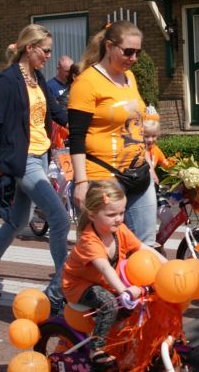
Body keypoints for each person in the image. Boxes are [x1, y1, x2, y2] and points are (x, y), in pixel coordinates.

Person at [0, 24, 68, 304]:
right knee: (60, 218)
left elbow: (58, 114)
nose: (49, 56)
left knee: (18, 222)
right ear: (29, 48)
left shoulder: (38, 78)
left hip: (42, 156)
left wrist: (91, 122)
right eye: (46, 50)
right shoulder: (7, 80)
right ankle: (63, 284)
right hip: (23, 160)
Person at [61, 180, 167, 370]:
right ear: (92, 214)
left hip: (103, 282)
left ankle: (115, 339)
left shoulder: (120, 230)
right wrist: (124, 290)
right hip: (78, 285)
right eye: (111, 214)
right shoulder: (89, 240)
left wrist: (167, 265)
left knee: (131, 307)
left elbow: (143, 247)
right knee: (110, 303)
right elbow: (104, 268)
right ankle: (97, 349)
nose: (118, 219)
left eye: (121, 212)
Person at [67, 21, 156, 246]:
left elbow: (135, 125)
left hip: (138, 172)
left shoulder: (130, 79)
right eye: (128, 52)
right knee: (105, 246)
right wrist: (81, 181)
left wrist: (148, 162)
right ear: (109, 46)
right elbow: (76, 136)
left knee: (145, 243)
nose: (134, 58)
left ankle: (137, 282)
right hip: (104, 175)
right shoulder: (87, 82)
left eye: (138, 52)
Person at [143, 118, 165, 185]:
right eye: (146, 136)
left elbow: (165, 163)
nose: (150, 139)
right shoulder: (136, 150)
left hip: (150, 183)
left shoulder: (156, 150)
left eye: (153, 136)